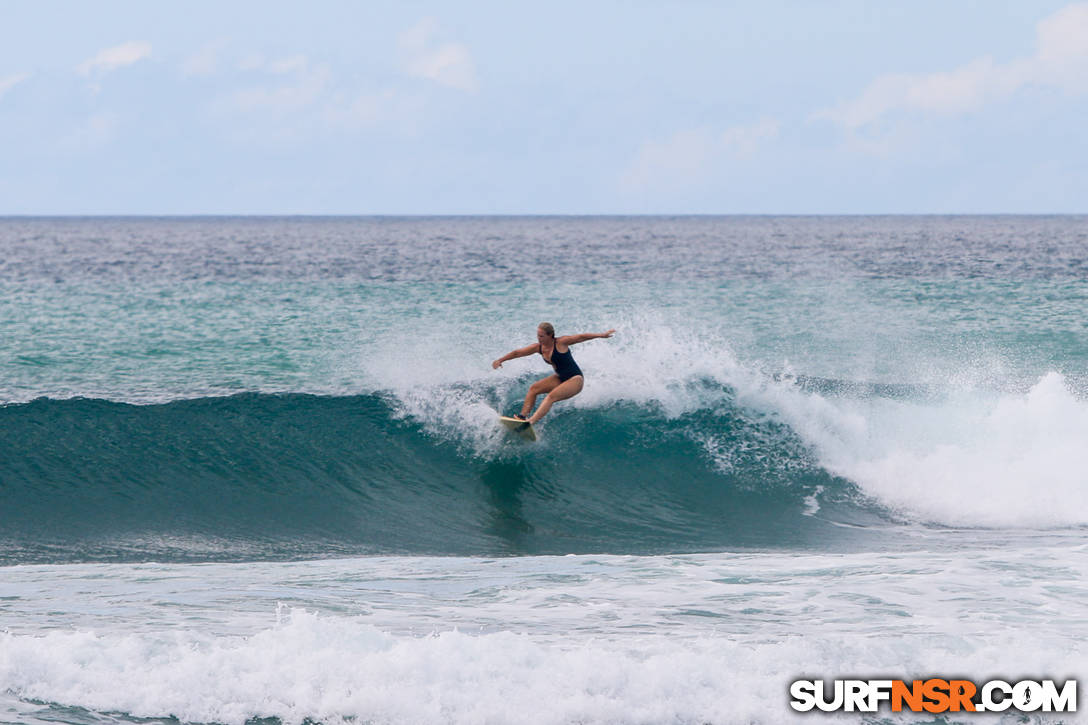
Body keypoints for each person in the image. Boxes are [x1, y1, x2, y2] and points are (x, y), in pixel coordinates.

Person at [492, 322, 615, 425]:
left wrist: (601, 335)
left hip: (575, 379)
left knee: (550, 397)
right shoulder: (538, 347)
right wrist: (500, 360)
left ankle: (531, 422)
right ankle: (522, 418)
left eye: (541, 336)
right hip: (560, 378)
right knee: (534, 388)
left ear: (550, 335)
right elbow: (517, 353)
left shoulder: (561, 342)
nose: (538, 339)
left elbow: (581, 337)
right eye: (538, 336)